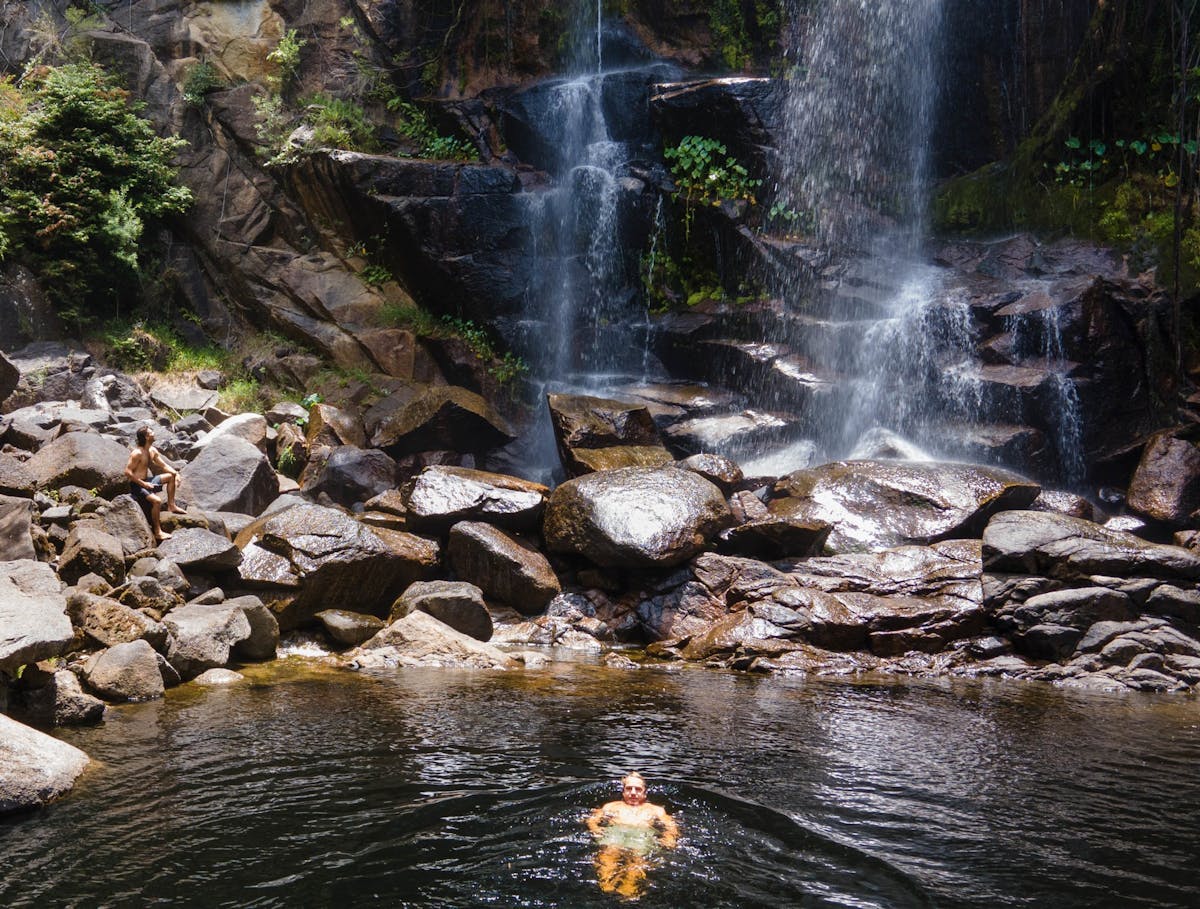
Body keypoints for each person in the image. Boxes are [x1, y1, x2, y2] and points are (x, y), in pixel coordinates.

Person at [586, 772, 679, 899]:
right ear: (623, 792)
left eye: (638, 789)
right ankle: (606, 888)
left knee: (637, 860)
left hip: (641, 836)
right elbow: (592, 819)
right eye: (629, 788)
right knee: (608, 854)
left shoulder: (656, 810)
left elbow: (671, 825)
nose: (633, 792)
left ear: (645, 793)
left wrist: (669, 837)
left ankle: (629, 891)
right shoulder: (611, 806)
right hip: (615, 833)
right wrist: (595, 828)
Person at [124, 425, 184, 542]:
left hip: (148, 481)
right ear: (147, 437)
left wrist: (176, 474)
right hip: (138, 485)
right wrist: (144, 484)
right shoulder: (137, 453)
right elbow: (127, 472)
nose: (154, 434)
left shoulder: (152, 450)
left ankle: (171, 505)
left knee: (170, 476)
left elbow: (164, 465)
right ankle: (158, 532)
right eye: (152, 432)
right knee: (157, 501)